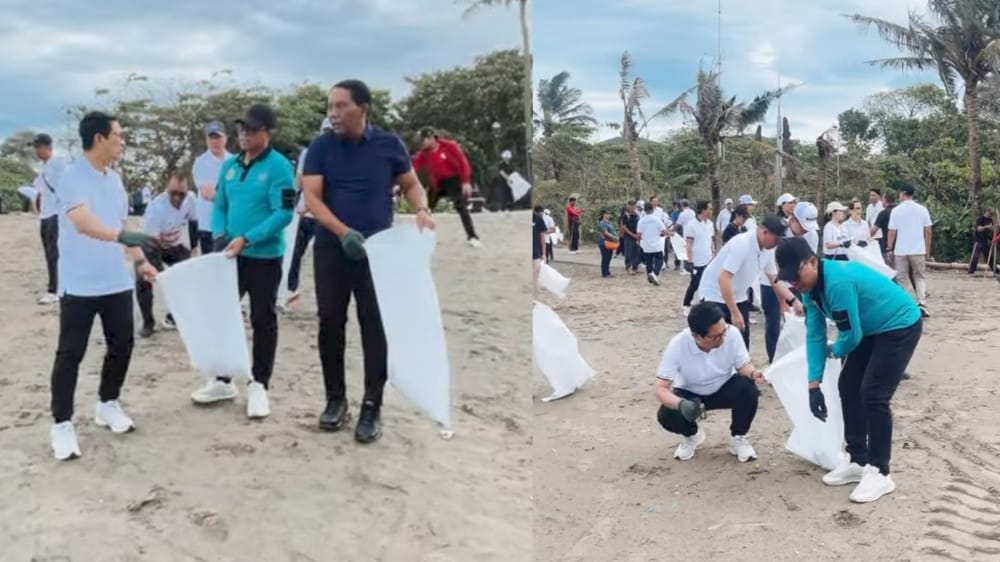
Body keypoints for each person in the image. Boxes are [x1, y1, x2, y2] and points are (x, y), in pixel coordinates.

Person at [302, 79, 435, 443]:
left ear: (362, 108)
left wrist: (422, 209)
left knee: (374, 326)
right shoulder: (321, 147)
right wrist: (342, 231)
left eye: (340, 105)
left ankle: (372, 405)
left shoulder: (388, 145)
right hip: (332, 249)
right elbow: (312, 197)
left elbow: (411, 184)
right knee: (330, 322)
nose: (333, 113)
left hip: (378, 253)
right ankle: (335, 400)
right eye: (330, 106)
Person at [775, 236, 922, 503]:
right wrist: (813, 384)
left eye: (796, 275)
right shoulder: (809, 290)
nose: (794, 283)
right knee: (848, 386)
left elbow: (850, 337)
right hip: (869, 328)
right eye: (789, 280)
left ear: (812, 262)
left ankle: (880, 471)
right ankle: (858, 460)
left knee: (873, 395)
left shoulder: (838, 282)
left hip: (898, 324)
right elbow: (815, 336)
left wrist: (836, 351)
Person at [48, 111, 160, 460]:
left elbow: (120, 225)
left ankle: (107, 403)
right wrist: (122, 236)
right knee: (71, 353)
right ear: (99, 139)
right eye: (118, 136)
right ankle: (62, 424)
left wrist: (140, 261)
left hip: (115, 281)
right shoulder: (71, 176)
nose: (122, 142)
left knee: (122, 345)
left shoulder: (114, 180)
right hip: (79, 284)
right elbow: (82, 222)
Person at [190, 103, 295, 419]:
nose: (244, 135)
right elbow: (220, 204)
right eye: (241, 129)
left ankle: (259, 384)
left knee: (262, 319)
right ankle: (223, 380)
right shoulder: (230, 166)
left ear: (268, 132)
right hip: (229, 256)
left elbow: (283, 213)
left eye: (251, 130)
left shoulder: (279, 167)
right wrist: (220, 234)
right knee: (222, 316)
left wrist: (248, 238)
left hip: (264, 257)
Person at [655, 302, 767, 463]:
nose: (722, 338)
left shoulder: (732, 334)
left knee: (748, 389)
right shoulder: (678, 344)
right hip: (691, 392)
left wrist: (753, 373)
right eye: (715, 337)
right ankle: (692, 435)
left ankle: (738, 437)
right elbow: (661, 388)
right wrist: (681, 404)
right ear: (697, 336)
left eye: (723, 332)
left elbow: (742, 365)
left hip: (724, 385)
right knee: (667, 413)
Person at [696, 215, 800, 351]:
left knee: (741, 344)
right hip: (714, 294)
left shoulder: (768, 250)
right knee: (717, 342)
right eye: (777, 239)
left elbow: (774, 280)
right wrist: (734, 312)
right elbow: (723, 278)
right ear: (765, 232)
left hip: (738, 296)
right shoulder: (742, 244)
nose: (778, 243)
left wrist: (793, 301)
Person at [137, 174, 196, 337]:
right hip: (149, 244)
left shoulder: (191, 200)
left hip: (173, 245)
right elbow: (151, 243)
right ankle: (148, 322)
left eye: (181, 194)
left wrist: (193, 247)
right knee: (144, 279)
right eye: (173, 193)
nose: (177, 197)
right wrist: (159, 271)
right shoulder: (156, 208)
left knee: (189, 272)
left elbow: (193, 222)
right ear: (166, 189)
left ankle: (175, 316)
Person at [286, 119, 332, 304]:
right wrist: (292, 204)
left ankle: (327, 297)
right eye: (325, 131)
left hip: (326, 214)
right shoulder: (309, 152)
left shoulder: (342, 154)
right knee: (296, 253)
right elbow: (299, 179)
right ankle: (291, 290)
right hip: (305, 212)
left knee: (325, 257)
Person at [411, 126, 479, 247]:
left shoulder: (450, 146)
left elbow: (463, 162)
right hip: (437, 183)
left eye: (423, 140)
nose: (422, 143)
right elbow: (413, 166)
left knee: (460, 206)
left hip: (453, 180)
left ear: (431, 138)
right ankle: (423, 237)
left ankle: (472, 236)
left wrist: (465, 181)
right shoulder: (424, 154)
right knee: (426, 207)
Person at [29, 133, 68, 305]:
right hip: (45, 214)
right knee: (49, 253)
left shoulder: (58, 163)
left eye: (39, 147)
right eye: (35, 147)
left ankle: (55, 290)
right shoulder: (44, 168)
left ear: (49, 147)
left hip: (56, 214)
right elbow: (38, 191)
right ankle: (57, 286)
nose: (37, 151)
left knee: (54, 254)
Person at [887, 183, 932, 317]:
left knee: (902, 277)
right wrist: (927, 249)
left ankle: (909, 302)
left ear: (903, 193)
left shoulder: (896, 211)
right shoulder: (922, 209)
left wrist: (889, 247)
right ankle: (922, 303)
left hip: (901, 249)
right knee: (919, 276)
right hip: (918, 249)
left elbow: (892, 232)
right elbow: (928, 231)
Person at [192, 121, 232, 255]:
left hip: (230, 224)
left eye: (218, 137)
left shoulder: (235, 161)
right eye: (211, 137)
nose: (214, 141)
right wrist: (228, 197)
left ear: (225, 138)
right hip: (208, 225)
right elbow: (208, 193)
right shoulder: (200, 163)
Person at [682, 201, 715, 315]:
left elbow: (711, 240)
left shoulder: (710, 224)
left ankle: (704, 304)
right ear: (703, 210)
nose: (711, 211)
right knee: (695, 283)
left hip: (708, 258)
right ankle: (686, 304)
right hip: (697, 260)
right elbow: (689, 244)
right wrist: (690, 260)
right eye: (709, 209)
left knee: (708, 283)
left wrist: (713, 253)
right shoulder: (691, 225)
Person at [637, 201, 668, 285]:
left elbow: (639, 234)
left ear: (644, 210)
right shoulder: (656, 219)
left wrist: (638, 242)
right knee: (659, 261)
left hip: (647, 245)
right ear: (652, 209)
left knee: (649, 263)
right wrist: (670, 233)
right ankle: (654, 274)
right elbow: (664, 230)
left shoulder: (641, 221)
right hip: (657, 245)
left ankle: (650, 277)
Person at [969, 209, 996, 274]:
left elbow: (992, 229)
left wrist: (992, 229)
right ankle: (971, 270)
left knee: (989, 257)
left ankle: (994, 269)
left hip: (986, 241)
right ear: (987, 212)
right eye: (990, 214)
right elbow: (978, 229)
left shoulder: (990, 220)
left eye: (992, 214)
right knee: (975, 256)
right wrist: (986, 227)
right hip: (978, 240)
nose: (991, 215)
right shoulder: (980, 219)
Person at [873, 191, 896, 264]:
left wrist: (867, 238)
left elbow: (873, 230)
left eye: (882, 199)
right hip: (901, 248)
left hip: (887, 248)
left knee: (888, 268)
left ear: (885, 200)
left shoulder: (883, 213)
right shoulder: (899, 211)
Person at [619, 200, 641, 274]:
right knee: (629, 253)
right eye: (630, 206)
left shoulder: (637, 215)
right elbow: (624, 227)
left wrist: (639, 235)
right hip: (628, 237)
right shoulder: (625, 216)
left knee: (637, 252)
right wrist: (632, 234)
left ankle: (635, 267)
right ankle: (628, 267)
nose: (632, 207)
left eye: (633, 206)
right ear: (628, 206)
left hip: (637, 236)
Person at [597, 209, 618, 278]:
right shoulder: (602, 223)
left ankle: (607, 271)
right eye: (607, 214)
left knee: (608, 258)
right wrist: (614, 238)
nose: (608, 215)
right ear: (603, 215)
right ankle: (605, 273)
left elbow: (612, 231)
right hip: (604, 242)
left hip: (610, 242)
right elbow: (606, 233)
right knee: (605, 258)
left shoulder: (609, 223)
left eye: (609, 214)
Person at [533, 206, 547, 295]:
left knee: (535, 277)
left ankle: (535, 297)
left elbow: (542, 238)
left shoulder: (537, 219)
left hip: (535, 253)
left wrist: (543, 253)